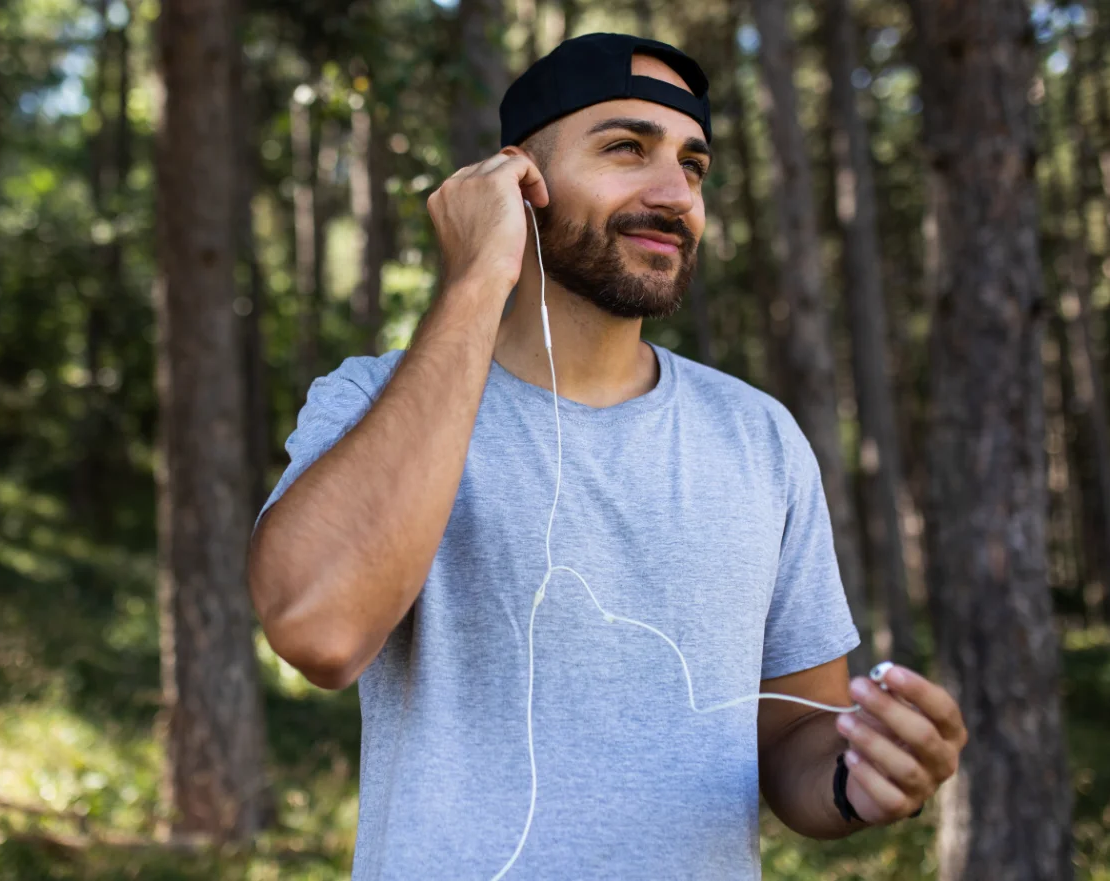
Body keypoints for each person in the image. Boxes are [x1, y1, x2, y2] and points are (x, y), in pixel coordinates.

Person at [246, 32, 967, 880]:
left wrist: (858, 776)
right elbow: (318, 630)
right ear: (519, 179)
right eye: (627, 148)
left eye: (694, 166)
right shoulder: (373, 401)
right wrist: (480, 275)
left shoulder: (758, 436)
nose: (675, 195)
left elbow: (792, 738)